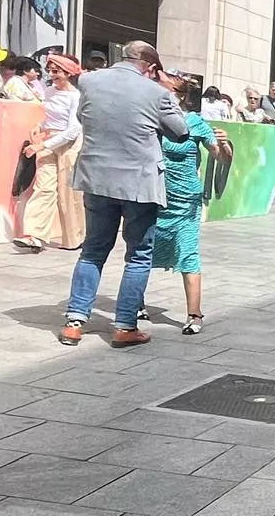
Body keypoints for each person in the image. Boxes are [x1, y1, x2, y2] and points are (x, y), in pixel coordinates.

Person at [59, 40, 189, 348]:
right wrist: (166, 91)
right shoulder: (157, 93)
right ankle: (125, 326)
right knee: (139, 255)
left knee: (93, 249)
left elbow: (83, 118)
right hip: (139, 183)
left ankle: (74, 322)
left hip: (97, 178)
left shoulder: (90, 81)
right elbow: (180, 132)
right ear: (151, 67)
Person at [149, 71, 226, 336]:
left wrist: (225, 146)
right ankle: (135, 303)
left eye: (166, 90)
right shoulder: (151, 119)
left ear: (180, 96)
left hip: (186, 200)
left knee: (188, 252)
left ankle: (195, 314)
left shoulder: (195, 122)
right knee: (143, 250)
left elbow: (218, 153)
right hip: (154, 196)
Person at [13, 53, 85, 252]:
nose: (52, 75)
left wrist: (42, 145)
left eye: (56, 71)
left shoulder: (76, 97)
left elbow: (73, 130)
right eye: (50, 70)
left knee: (68, 192)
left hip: (69, 144)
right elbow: (51, 117)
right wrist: (41, 126)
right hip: (49, 140)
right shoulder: (50, 91)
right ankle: (34, 235)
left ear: (68, 73)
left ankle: (74, 238)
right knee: (43, 187)